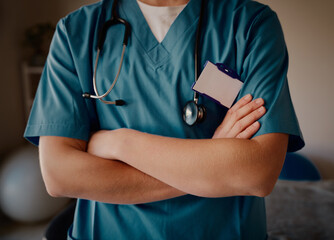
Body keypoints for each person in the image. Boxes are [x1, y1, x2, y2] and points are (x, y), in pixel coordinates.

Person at [24, 0, 304, 239]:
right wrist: (211, 167)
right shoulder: (77, 31)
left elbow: (257, 173)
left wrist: (120, 143)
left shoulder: (250, 24)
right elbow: (59, 175)